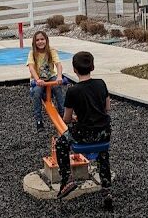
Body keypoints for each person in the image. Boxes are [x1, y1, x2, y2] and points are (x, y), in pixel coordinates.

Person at [55, 51, 113, 210]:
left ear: (74, 69)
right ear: (92, 67)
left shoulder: (73, 91)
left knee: (61, 143)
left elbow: (66, 119)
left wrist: (75, 117)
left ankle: (66, 179)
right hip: (104, 133)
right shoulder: (101, 83)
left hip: (84, 135)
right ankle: (107, 190)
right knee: (103, 153)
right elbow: (107, 108)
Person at [27, 31, 64, 131]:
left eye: (42, 39)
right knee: (37, 92)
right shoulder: (32, 53)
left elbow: (58, 64)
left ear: (46, 40)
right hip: (38, 79)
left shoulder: (51, 51)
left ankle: (63, 113)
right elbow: (31, 68)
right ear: (34, 42)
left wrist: (59, 76)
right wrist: (37, 79)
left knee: (57, 87)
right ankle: (39, 120)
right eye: (37, 40)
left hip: (50, 76)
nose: (40, 42)